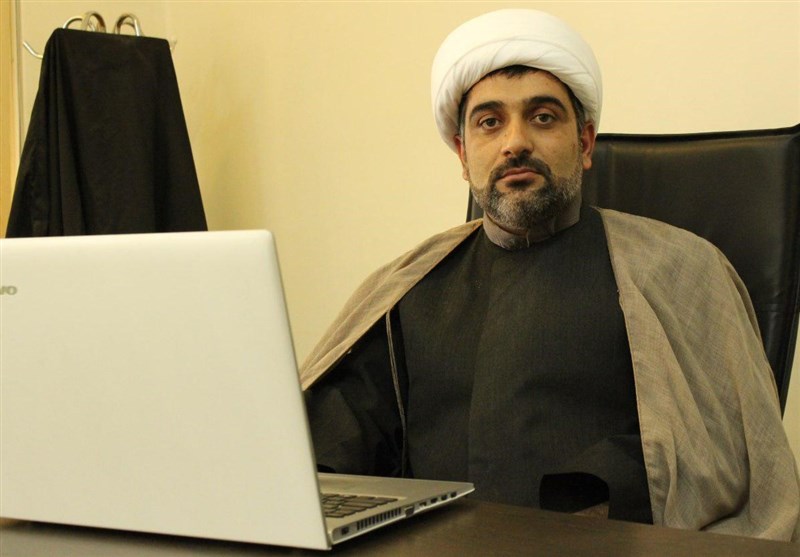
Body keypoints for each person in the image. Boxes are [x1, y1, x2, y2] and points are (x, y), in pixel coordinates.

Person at [300, 9, 800, 541]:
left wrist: (597, 498)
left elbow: (721, 457)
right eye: (489, 122)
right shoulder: (411, 284)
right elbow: (339, 434)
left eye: (542, 117)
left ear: (584, 143)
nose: (515, 142)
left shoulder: (679, 269)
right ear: (463, 155)